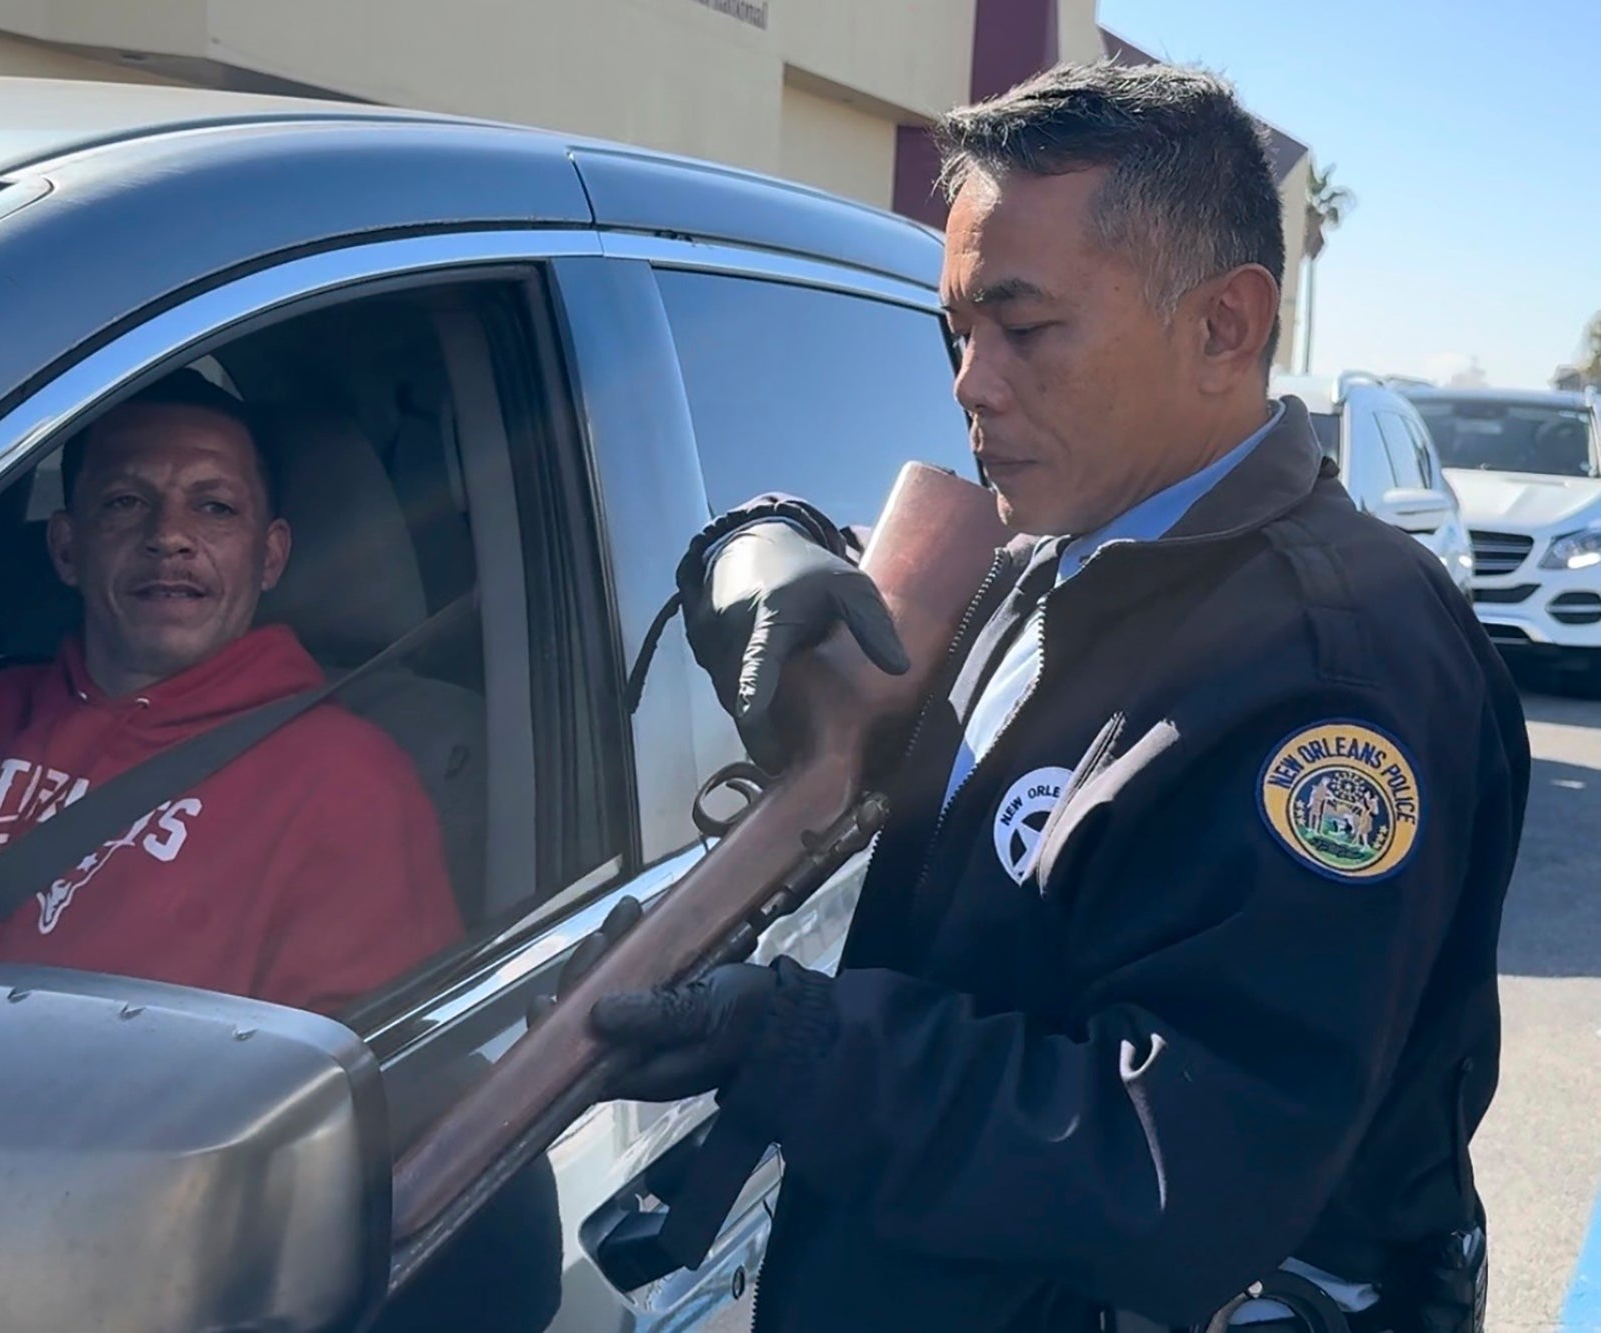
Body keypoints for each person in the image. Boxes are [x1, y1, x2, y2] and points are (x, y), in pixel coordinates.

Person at [583, 62, 1530, 1333]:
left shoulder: (1336, 672)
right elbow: (862, 576)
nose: (971, 383)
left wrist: (803, 1048)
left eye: (1022, 329)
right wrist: (754, 543)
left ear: (1223, 327)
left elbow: (1176, 1165)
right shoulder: (1065, 545)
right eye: (954, 332)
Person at [0, 369, 462, 1055]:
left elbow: (347, 1091)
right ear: (67, 548)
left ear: (271, 555)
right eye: (124, 502)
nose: (168, 536)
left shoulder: (345, 784)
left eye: (215, 507)